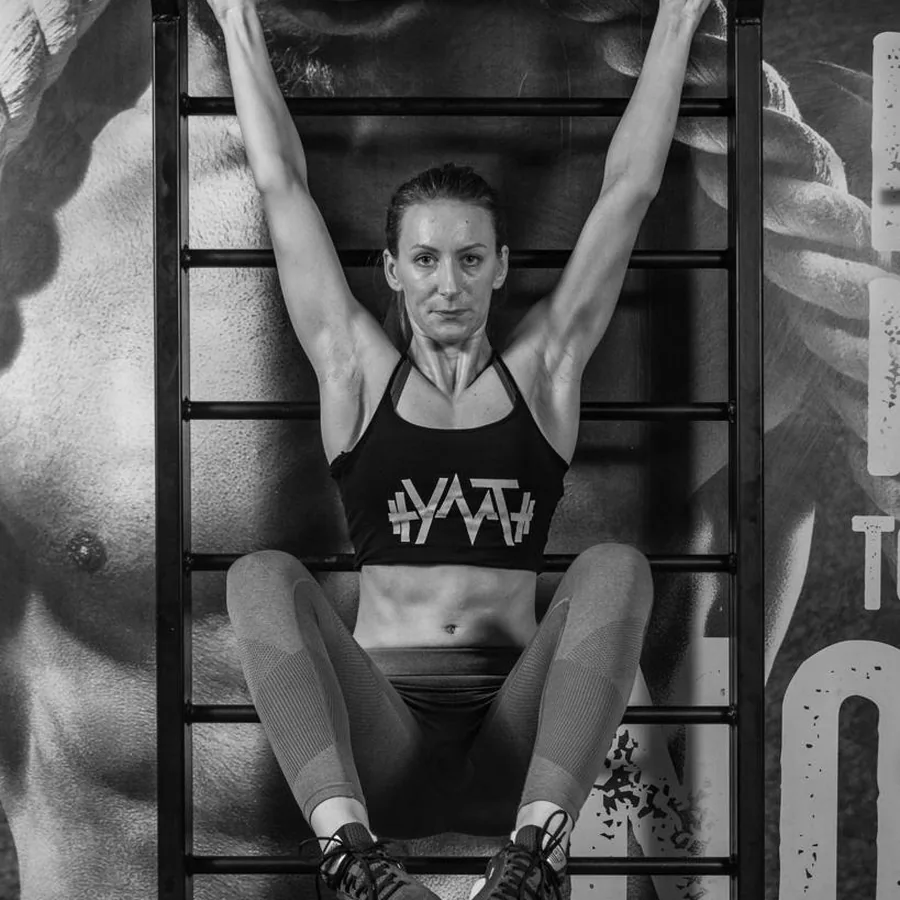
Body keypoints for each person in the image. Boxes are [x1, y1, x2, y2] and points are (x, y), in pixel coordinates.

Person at [213, 1, 712, 899]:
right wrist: (234, 13)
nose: (449, 283)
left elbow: (627, 191)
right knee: (258, 576)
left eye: (471, 259)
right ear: (394, 270)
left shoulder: (546, 372)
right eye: (427, 260)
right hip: (384, 748)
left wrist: (679, 16)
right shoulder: (354, 373)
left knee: (617, 567)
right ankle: (353, 860)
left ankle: (532, 862)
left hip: (514, 754)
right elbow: (282, 185)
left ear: (501, 267)